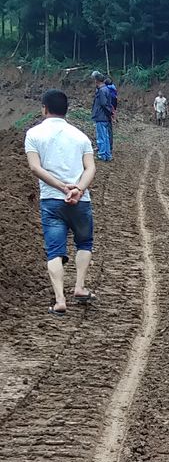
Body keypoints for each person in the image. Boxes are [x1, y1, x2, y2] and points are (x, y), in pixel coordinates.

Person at [24, 89, 97, 316]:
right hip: (80, 201)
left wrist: (61, 187)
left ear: (44, 108)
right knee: (84, 243)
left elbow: (35, 167)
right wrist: (78, 189)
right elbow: (90, 168)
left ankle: (60, 300)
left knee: (54, 250)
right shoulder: (80, 136)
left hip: (51, 201)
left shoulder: (33, 134)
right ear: (67, 110)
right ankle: (80, 287)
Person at [90, 71, 113, 161]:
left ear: (96, 80)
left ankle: (102, 154)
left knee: (101, 137)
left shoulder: (101, 90)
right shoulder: (106, 89)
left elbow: (104, 104)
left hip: (101, 116)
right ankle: (107, 155)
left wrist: (108, 113)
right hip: (105, 117)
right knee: (106, 136)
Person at [104, 76, 118, 151]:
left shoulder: (107, 90)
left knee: (107, 130)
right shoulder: (113, 89)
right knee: (109, 129)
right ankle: (109, 145)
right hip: (113, 108)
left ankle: (108, 146)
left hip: (108, 111)